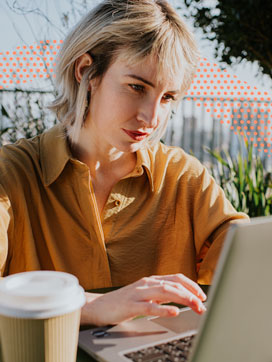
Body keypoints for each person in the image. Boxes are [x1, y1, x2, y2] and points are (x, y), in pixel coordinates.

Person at [0, 0, 248, 326]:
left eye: (167, 97)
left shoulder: (185, 178)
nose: (152, 116)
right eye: (136, 87)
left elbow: (250, 266)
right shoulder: (11, 175)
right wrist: (88, 307)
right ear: (86, 71)